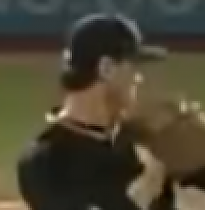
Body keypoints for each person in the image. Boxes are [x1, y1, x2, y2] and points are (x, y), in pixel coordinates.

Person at [16, 13, 173, 210]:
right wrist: (147, 189)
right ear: (106, 69)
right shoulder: (47, 162)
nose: (138, 78)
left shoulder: (142, 148)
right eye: (132, 67)